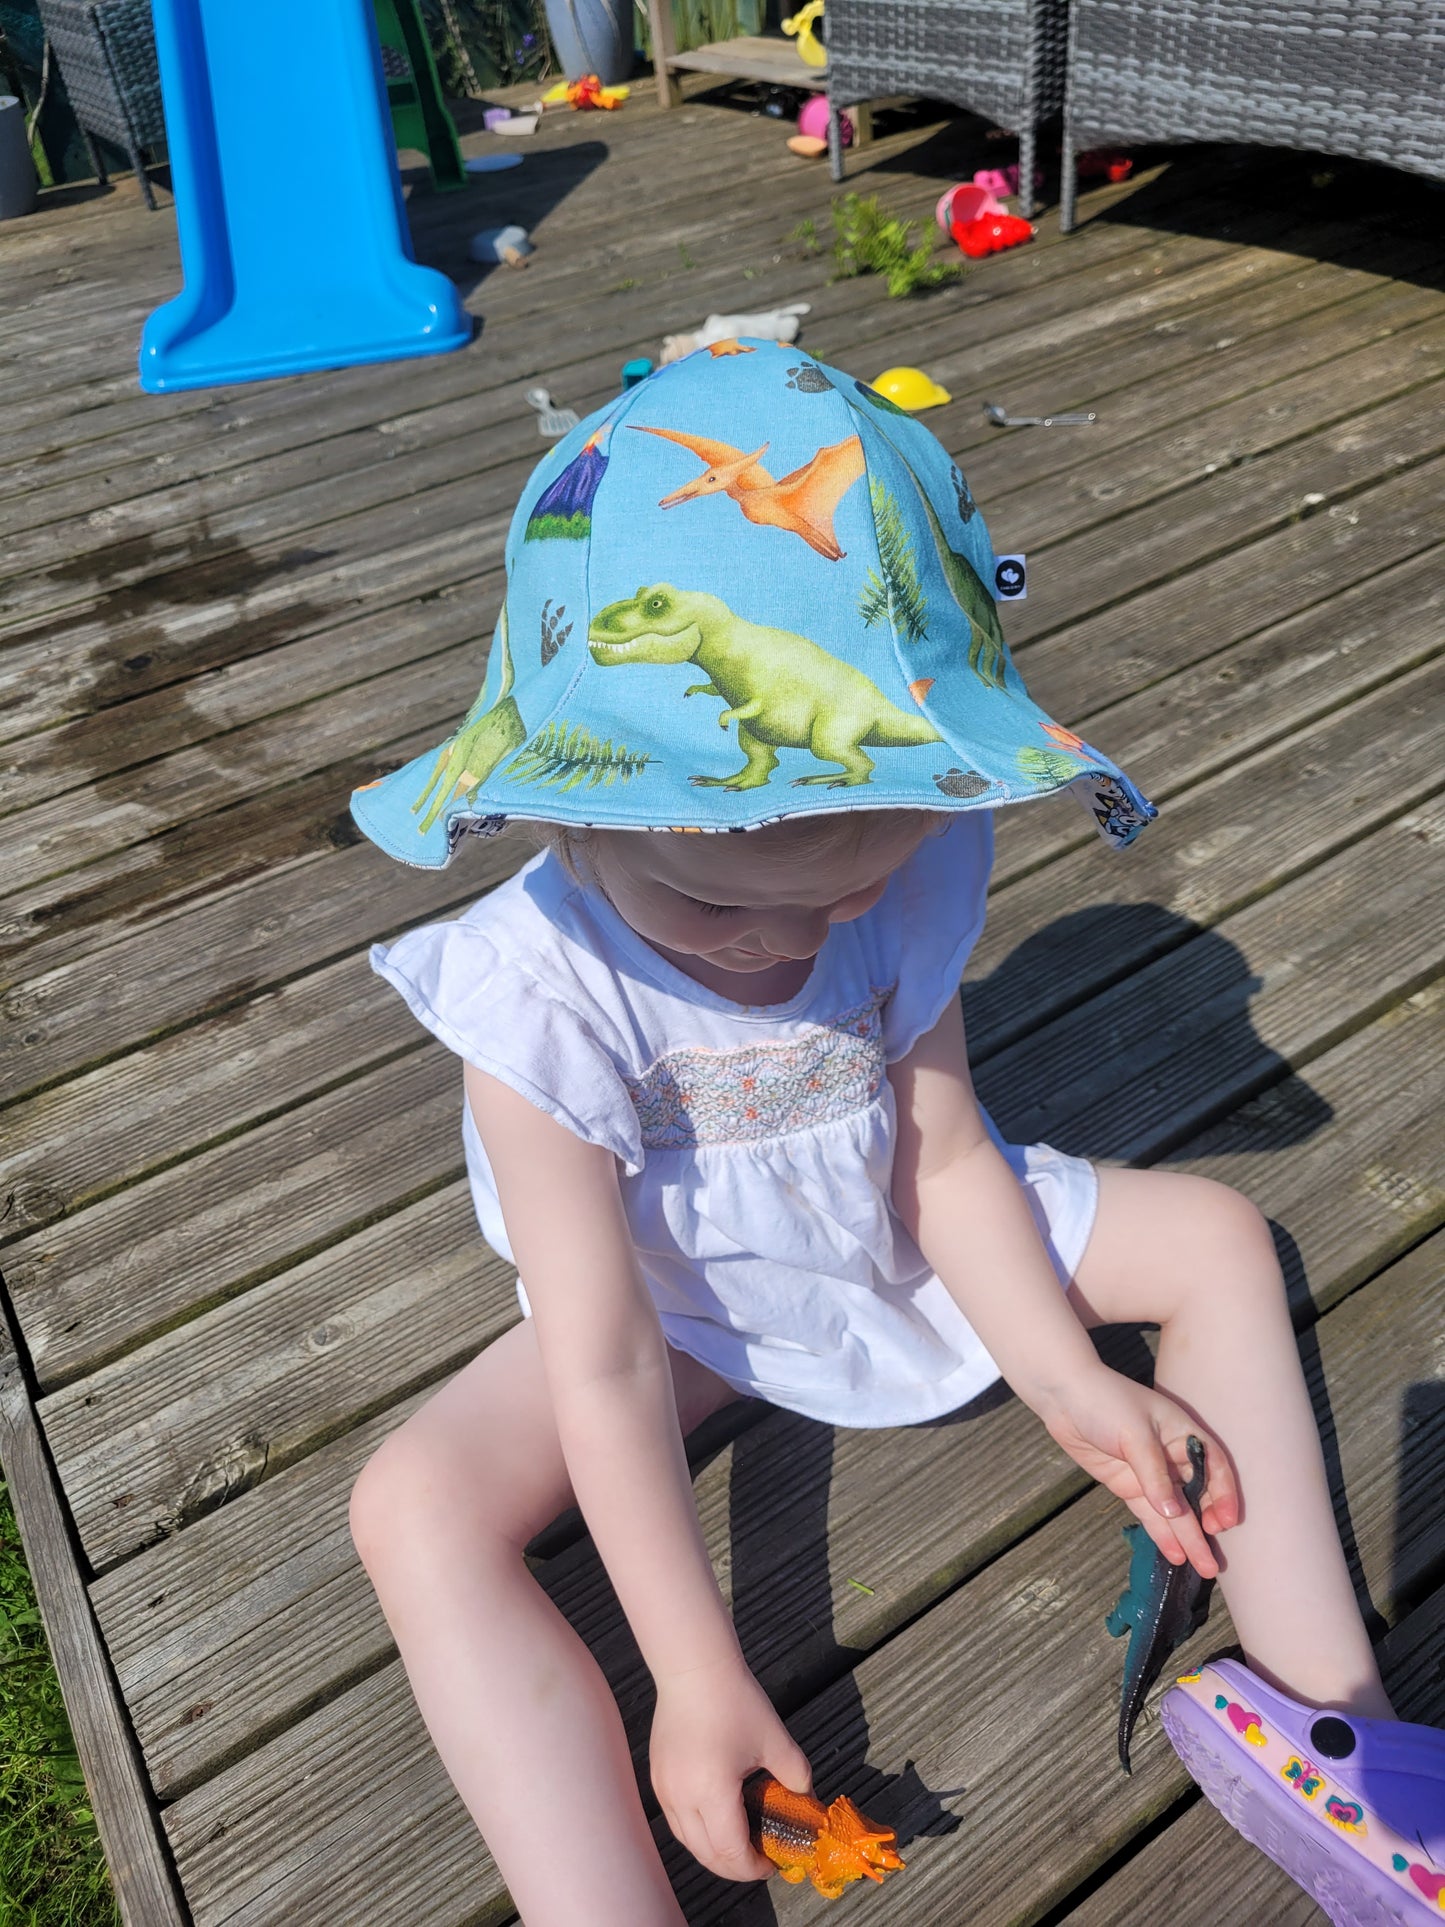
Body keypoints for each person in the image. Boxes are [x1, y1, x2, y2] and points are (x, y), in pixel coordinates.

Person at [346, 345, 1443, 1925]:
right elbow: (600, 1360)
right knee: (414, 1506)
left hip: (886, 1217)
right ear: (558, 805)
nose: (790, 945)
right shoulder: (533, 999)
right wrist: (694, 1673)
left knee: (1213, 1237)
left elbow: (942, 1158)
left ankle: (1337, 1727)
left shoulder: (902, 863)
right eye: (713, 900)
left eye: (850, 890)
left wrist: (1064, 1380)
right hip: (679, 1304)